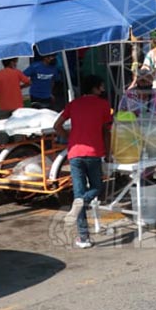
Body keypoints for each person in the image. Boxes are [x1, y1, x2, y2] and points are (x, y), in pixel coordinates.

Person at [54, 75, 112, 249]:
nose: (103, 90)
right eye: (101, 87)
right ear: (95, 88)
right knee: (97, 187)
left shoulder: (73, 104)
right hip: (94, 153)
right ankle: (81, 203)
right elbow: (107, 132)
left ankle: (84, 237)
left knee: (78, 196)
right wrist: (109, 154)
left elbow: (57, 125)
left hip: (74, 154)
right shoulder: (103, 105)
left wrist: (69, 138)